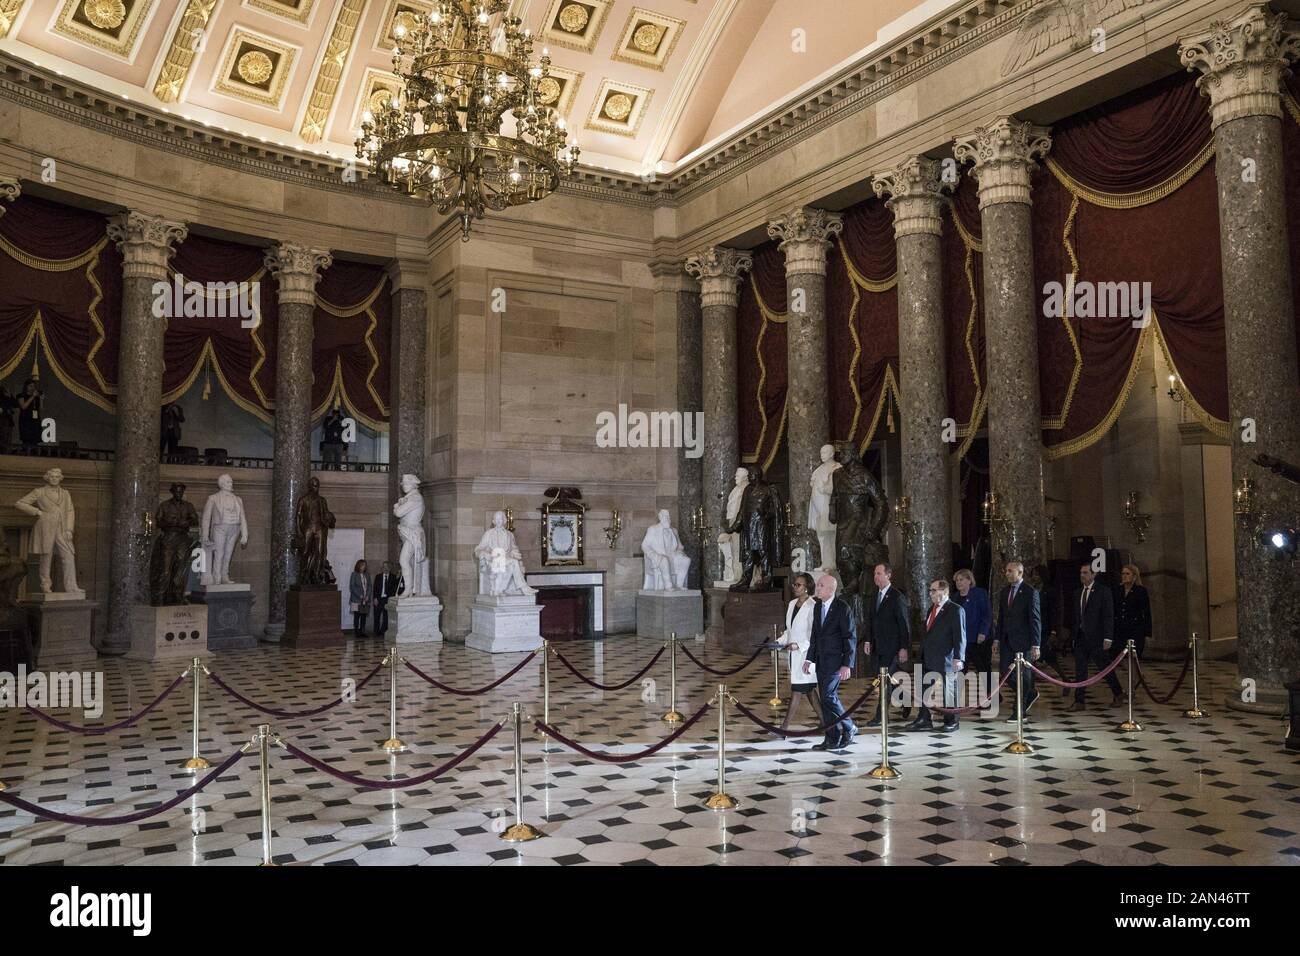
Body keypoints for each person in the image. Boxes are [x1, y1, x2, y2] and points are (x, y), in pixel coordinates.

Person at [803, 573, 857, 751]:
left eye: (820, 585)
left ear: (830, 589)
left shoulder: (842, 608)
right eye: (817, 585)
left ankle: (849, 726)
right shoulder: (818, 607)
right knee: (826, 701)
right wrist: (809, 658)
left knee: (828, 696)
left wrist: (847, 664)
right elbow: (815, 635)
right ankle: (831, 737)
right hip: (821, 660)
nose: (816, 588)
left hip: (836, 661)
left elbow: (850, 637)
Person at [907, 580, 966, 733]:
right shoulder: (931, 610)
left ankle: (952, 720)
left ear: (944, 591)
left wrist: (959, 657)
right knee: (923, 688)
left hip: (945, 657)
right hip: (927, 656)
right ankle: (924, 719)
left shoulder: (955, 610)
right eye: (930, 590)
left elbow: (960, 636)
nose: (930, 593)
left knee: (948, 691)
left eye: (933, 590)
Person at [863, 562, 911, 727]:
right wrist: (868, 640)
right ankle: (906, 699)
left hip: (891, 647)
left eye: (879, 573)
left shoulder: (897, 596)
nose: (875, 577)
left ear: (888, 575)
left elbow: (903, 624)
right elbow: (870, 620)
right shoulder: (874, 596)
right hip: (877, 647)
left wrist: (903, 647)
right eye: (875, 573)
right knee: (887, 679)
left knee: (885, 682)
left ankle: (881, 716)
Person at [1070, 561, 1121, 710]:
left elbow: (1108, 615)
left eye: (1085, 573)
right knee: (1080, 670)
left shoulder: (1103, 591)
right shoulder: (1077, 592)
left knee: (1104, 668)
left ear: (1094, 574)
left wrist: (1108, 637)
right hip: (1081, 637)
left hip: (1097, 638)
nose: (1082, 576)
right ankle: (1079, 701)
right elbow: (1076, 616)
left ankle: (1118, 692)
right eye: (1081, 573)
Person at [995, 560, 1041, 719]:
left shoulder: (1030, 592)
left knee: (1025, 676)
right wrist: (996, 639)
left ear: (1020, 573)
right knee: (1005, 674)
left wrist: (1036, 644)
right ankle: (1029, 693)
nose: (1006, 573)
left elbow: (1035, 619)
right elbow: (1001, 617)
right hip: (1007, 640)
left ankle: (1019, 712)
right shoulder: (1004, 591)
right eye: (1006, 571)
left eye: (1010, 571)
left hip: (1024, 641)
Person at [777, 572, 821, 735]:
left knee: (797, 690)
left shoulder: (813, 605)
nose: (795, 587)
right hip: (793, 656)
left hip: (805, 655)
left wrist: (799, 646)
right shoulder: (792, 604)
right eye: (794, 585)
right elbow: (790, 630)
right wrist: (779, 641)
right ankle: (826, 724)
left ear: (807, 587)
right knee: (809, 691)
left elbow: (813, 634)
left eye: (798, 585)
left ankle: (784, 727)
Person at [953, 568, 991, 687]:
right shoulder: (954, 598)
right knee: (960, 671)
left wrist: (983, 632)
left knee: (983, 669)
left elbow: (987, 614)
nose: (959, 582)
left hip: (977, 639)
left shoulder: (979, 593)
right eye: (957, 580)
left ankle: (992, 697)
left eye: (962, 579)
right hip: (961, 641)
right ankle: (955, 701)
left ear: (969, 581)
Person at [1115, 563, 1152, 660]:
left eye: (1127, 574)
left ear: (1134, 576)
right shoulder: (1116, 590)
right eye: (1123, 573)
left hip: (1135, 630)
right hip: (1119, 630)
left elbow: (1146, 612)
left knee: (1134, 659)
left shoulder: (1141, 591)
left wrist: (1147, 632)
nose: (1124, 576)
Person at [373, 561, 399, 637]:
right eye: (384, 567)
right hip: (379, 599)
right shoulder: (378, 576)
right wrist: (375, 598)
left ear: (390, 568)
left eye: (387, 567)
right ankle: (376, 631)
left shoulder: (393, 577)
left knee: (386, 616)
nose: (385, 568)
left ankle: (383, 631)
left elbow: (395, 589)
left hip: (387, 599)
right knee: (377, 616)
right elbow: (375, 588)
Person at [17, 378, 41, 453]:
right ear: (26, 386)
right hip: (25, 420)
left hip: (35, 420)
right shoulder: (21, 395)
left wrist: (41, 399)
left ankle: (34, 454)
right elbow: (23, 406)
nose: (32, 388)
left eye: (33, 386)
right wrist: (32, 397)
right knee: (26, 439)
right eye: (30, 386)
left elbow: (40, 409)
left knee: (35, 439)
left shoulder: (36, 397)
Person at [350, 559, 371, 636]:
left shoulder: (367, 574)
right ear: (358, 566)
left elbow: (369, 586)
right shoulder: (354, 574)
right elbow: (352, 586)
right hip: (356, 599)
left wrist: (368, 595)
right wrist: (360, 595)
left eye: (365, 565)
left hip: (366, 599)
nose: (364, 567)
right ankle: (357, 632)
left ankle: (362, 631)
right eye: (362, 565)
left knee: (363, 616)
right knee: (357, 616)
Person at [0, 384, 17, 452]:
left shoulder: (6, 394)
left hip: (7, 419)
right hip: (3, 419)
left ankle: (6, 451)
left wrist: (10, 395)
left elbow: (16, 404)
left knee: (7, 436)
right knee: (3, 436)